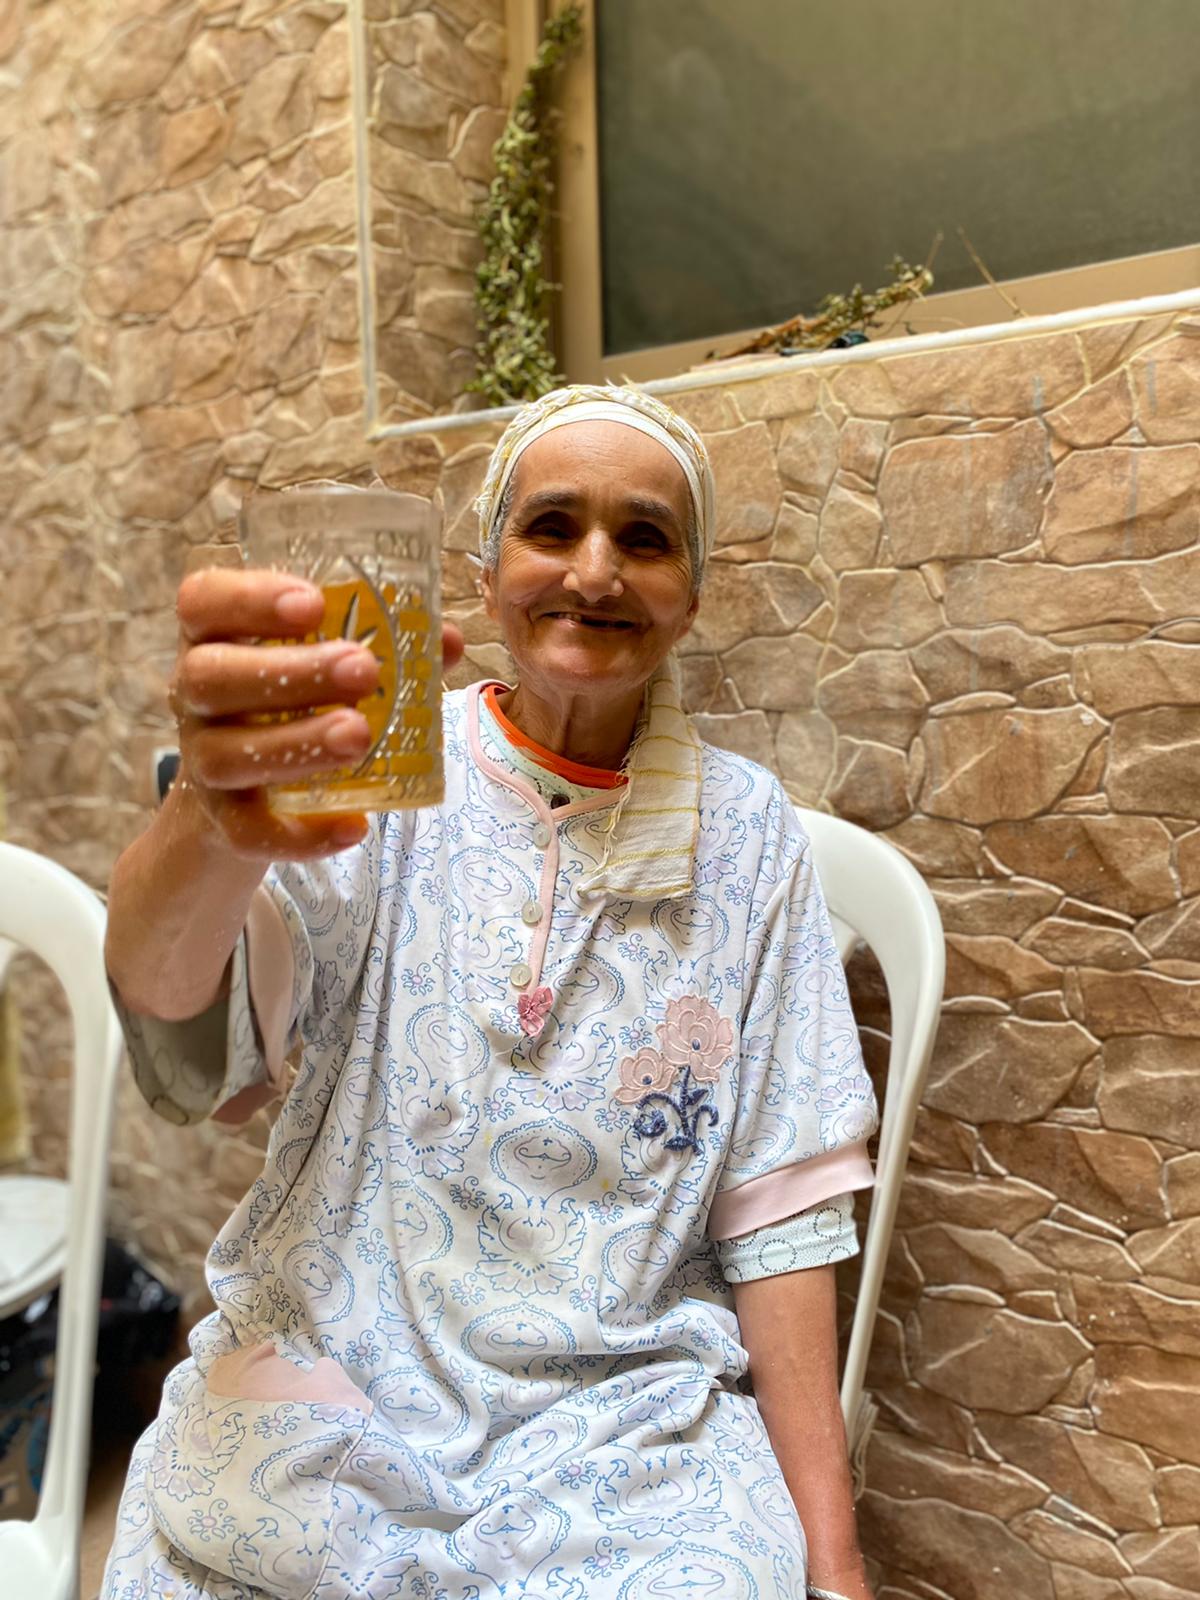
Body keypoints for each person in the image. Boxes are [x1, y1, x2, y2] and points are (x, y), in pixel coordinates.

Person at [103, 385, 879, 1600]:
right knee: (223, 1534)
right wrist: (211, 814)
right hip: (333, 1366)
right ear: (483, 571)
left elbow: (778, 1218)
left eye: (645, 539)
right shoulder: (377, 773)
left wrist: (838, 1568)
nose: (595, 571)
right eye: (552, 526)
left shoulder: (749, 835)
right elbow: (187, 1044)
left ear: (692, 595)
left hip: (623, 1417)